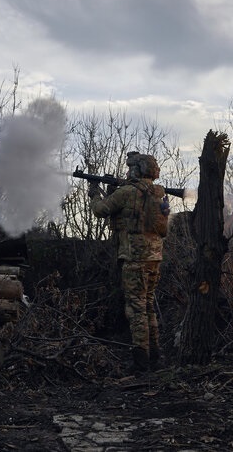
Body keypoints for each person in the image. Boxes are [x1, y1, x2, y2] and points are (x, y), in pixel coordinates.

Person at [88, 151, 169, 372]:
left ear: (136, 170)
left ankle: (141, 361)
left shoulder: (127, 192)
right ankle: (155, 356)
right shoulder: (159, 193)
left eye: (130, 168)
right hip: (155, 257)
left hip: (135, 259)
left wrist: (94, 192)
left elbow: (100, 210)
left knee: (136, 309)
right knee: (149, 305)